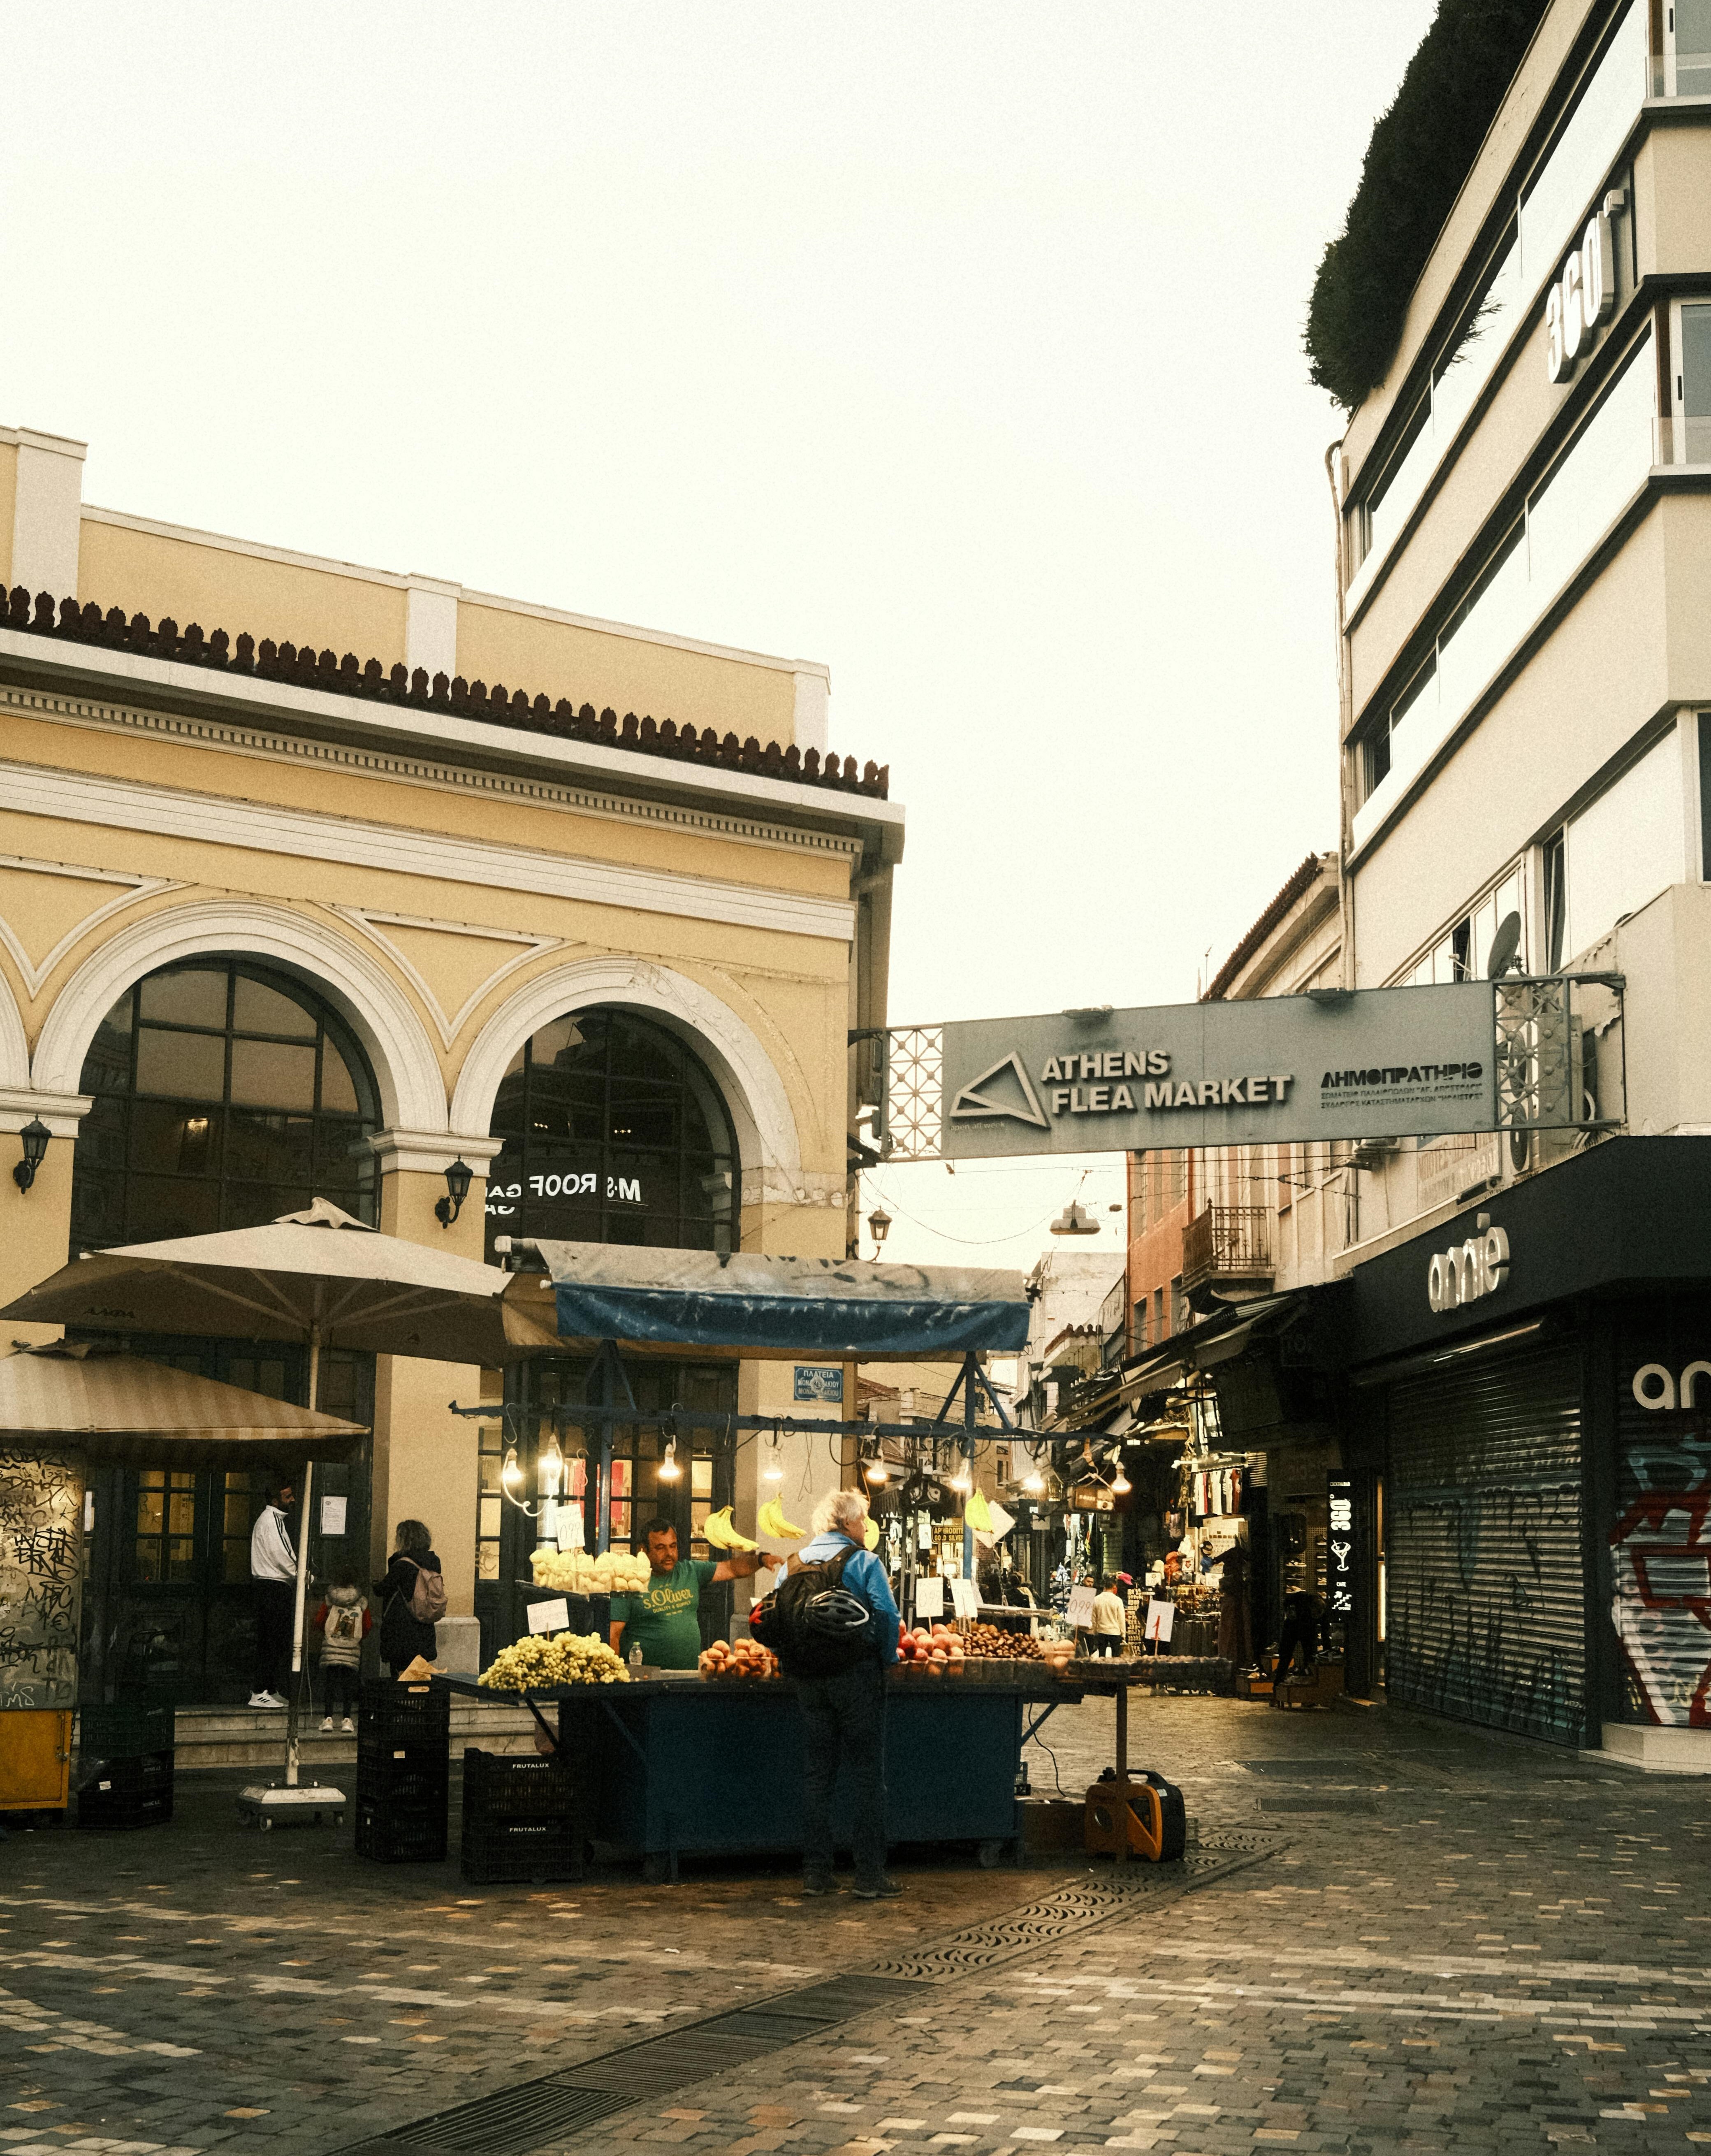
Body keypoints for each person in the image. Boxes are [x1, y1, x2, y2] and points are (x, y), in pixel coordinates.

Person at [788, 1487, 900, 1901]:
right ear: (847, 1523)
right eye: (861, 1521)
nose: (864, 1527)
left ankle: (816, 1874)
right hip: (855, 1679)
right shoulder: (864, 1561)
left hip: (808, 1681)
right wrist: (886, 1657)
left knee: (818, 1777)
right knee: (867, 1778)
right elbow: (887, 1614)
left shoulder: (793, 1563)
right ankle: (869, 1876)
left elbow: (774, 1617)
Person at [608, 1517, 775, 1671]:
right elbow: (614, 1635)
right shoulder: (630, 1581)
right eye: (661, 1548)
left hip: (690, 1674)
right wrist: (618, 1678)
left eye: (673, 1546)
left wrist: (760, 1561)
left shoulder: (690, 1571)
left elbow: (732, 1569)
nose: (669, 1553)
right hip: (646, 1678)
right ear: (643, 1549)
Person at [248, 1480, 297, 1708]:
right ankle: (260, 1691)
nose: (293, 1500)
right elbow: (283, 1555)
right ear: (276, 1501)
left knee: (273, 1641)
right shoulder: (272, 1521)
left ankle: (268, 1688)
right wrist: (303, 1574)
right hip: (274, 1587)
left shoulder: (269, 1521)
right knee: (271, 1641)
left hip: (270, 1587)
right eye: (288, 1497)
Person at [374, 1519, 443, 1673]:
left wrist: (374, 1583)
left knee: (401, 1672)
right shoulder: (433, 1562)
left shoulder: (402, 1565)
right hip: (424, 1623)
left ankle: (405, 1696)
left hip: (401, 1626)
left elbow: (383, 1589)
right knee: (419, 1672)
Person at [311, 1565, 371, 1730]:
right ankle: (347, 1719)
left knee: (330, 1684)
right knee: (349, 1685)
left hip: (332, 1647)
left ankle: (328, 1719)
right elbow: (367, 1625)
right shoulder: (361, 1601)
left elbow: (318, 1621)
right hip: (352, 1649)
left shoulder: (330, 1599)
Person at [1089, 1575, 1127, 1657]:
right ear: (1114, 1588)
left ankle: (1102, 1670)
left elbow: (1094, 1618)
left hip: (1101, 1632)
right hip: (1115, 1632)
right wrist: (1123, 1634)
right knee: (1116, 1658)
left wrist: (1095, 1631)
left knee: (1102, 1656)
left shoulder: (1096, 1599)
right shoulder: (1118, 1601)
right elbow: (1121, 1619)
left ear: (1104, 1587)